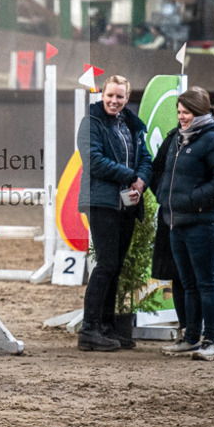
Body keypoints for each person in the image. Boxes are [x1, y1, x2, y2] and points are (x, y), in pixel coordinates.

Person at [154, 87, 214, 361]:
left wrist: (193, 200)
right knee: (188, 283)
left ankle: (211, 341)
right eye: (179, 112)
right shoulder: (178, 139)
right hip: (176, 222)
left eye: (186, 112)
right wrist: (165, 200)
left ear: (199, 112)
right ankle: (191, 338)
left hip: (204, 223)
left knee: (207, 282)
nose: (181, 117)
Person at [76, 74, 153, 351]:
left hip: (128, 202)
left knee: (115, 266)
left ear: (127, 98)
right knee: (106, 264)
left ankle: (106, 326)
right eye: (110, 95)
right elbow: (94, 161)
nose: (114, 100)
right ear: (102, 94)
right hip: (102, 201)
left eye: (120, 96)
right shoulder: (91, 122)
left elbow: (146, 157)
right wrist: (131, 175)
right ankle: (89, 328)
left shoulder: (131, 124)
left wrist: (141, 182)